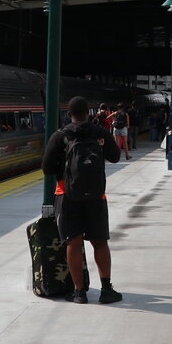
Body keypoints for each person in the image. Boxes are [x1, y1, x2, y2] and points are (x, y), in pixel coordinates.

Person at [41, 96, 123, 303]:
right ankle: (106, 290)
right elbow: (115, 157)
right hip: (96, 196)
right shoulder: (100, 132)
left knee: (73, 243)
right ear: (89, 112)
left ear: (69, 114)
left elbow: (46, 168)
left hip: (66, 195)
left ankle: (79, 292)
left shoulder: (60, 135)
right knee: (100, 242)